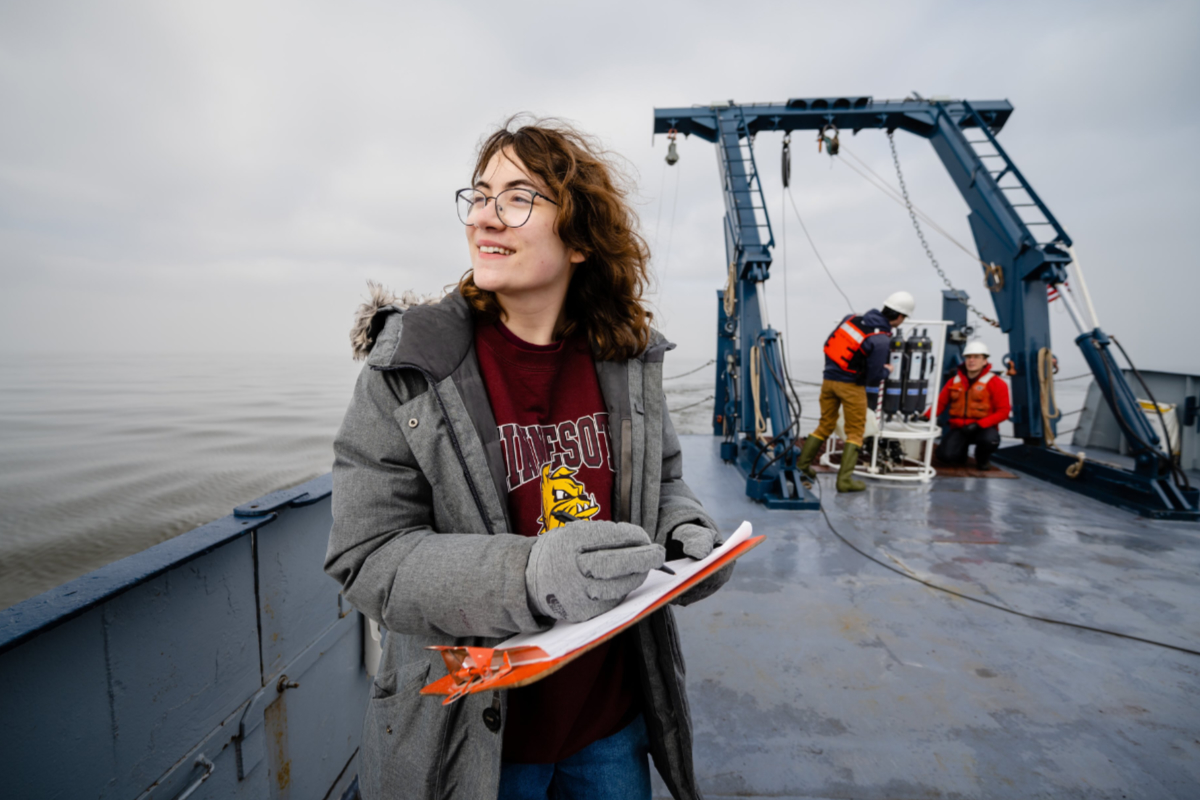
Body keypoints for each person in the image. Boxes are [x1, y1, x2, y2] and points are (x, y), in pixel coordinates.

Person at [325, 118, 731, 800]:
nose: (486, 216)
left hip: (608, 722)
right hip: (476, 743)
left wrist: (683, 534)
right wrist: (528, 576)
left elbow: (660, 484)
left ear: (578, 238)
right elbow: (367, 557)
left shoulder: (626, 362)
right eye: (480, 195)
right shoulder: (408, 371)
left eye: (517, 198)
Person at [794, 292, 913, 492]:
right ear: (900, 317)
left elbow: (830, 345)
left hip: (828, 381)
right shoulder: (881, 339)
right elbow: (875, 376)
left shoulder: (851, 318)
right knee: (856, 432)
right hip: (851, 387)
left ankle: (803, 466)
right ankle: (845, 481)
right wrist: (887, 370)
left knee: (825, 425)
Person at [933, 339, 1011, 470]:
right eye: (968, 357)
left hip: (984, 428)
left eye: (976, 357)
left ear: (984, 361)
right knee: (945, 456)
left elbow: (1003, 412)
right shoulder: (954, 381)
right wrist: (925, 417)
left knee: (990, 440)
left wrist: (978, 424)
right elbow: (940, 404)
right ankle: (960, 454)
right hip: (960, 428)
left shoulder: (997, 383)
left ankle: (982, 458)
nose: (971, 360)